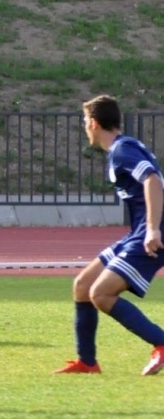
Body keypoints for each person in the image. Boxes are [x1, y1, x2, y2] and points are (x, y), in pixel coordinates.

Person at [57, 94, 164, 375]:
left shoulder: (121, 150)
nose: (84, 127)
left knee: (101, 294)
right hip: (137, 232)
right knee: (83, 286)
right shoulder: (123, 147)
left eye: (84, 121)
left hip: (151, 232)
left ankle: (162, 343)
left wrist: (152, 228)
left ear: (94, 122)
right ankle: (87, 362)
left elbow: (152, 179)